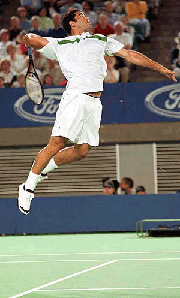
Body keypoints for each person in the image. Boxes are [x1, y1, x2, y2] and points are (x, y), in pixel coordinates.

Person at [18, 8, 176, 215]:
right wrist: (27, 37)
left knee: (82, 151)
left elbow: (130, 54)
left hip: (94, 102)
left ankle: (42, 169)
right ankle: (27, 187)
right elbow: (35, 39)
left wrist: (162, 69)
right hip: (74, 97)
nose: (86, 18)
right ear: (72, 24)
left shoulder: (100, 40)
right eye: (81, 16)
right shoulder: (60, 44)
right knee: (57, 143)